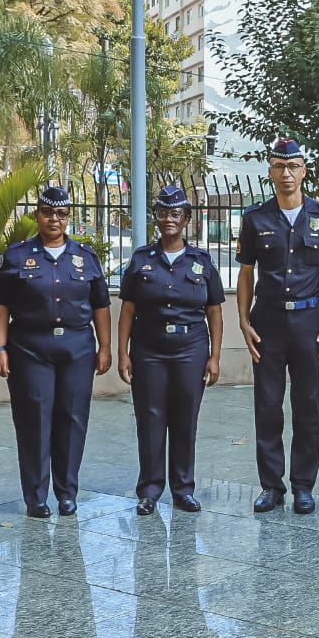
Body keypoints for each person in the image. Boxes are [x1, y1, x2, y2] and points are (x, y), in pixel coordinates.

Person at [0, 185, 112, 518]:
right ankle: (36, 496)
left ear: (68, 217)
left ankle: (67, 492)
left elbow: (101, 306)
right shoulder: (17, 256)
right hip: (30, 346)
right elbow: (0, 306)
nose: (53, 220)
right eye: (47, 213)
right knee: (34, 420)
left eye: (60, 214)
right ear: (37, 215)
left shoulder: (85, 257)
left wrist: (106, 347)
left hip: (77, 346)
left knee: (72, 420)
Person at [236, 139, 319, 515]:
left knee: (306, 404)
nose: (286, 173)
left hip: (307, 321)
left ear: (304, 170)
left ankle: (303, 485)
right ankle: (271, 485)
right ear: (270, 171)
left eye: (293, 166)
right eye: (279, 166)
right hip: (267, 320)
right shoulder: (255, 218)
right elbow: (246, 272)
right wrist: (243, 320)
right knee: (267, 405)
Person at [118, 184, 224, 516]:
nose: (168, 219)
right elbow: (127, 311)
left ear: (186, 219)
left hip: (190, 349)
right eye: (162, 213)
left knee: (184, 420)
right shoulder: (141, 260)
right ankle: (149, 490)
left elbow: (215, 311)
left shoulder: (201, 261)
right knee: (149, 420)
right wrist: (123, 353)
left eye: (175, 214)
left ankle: (183, 489)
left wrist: (215, 355)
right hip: (148, 348)